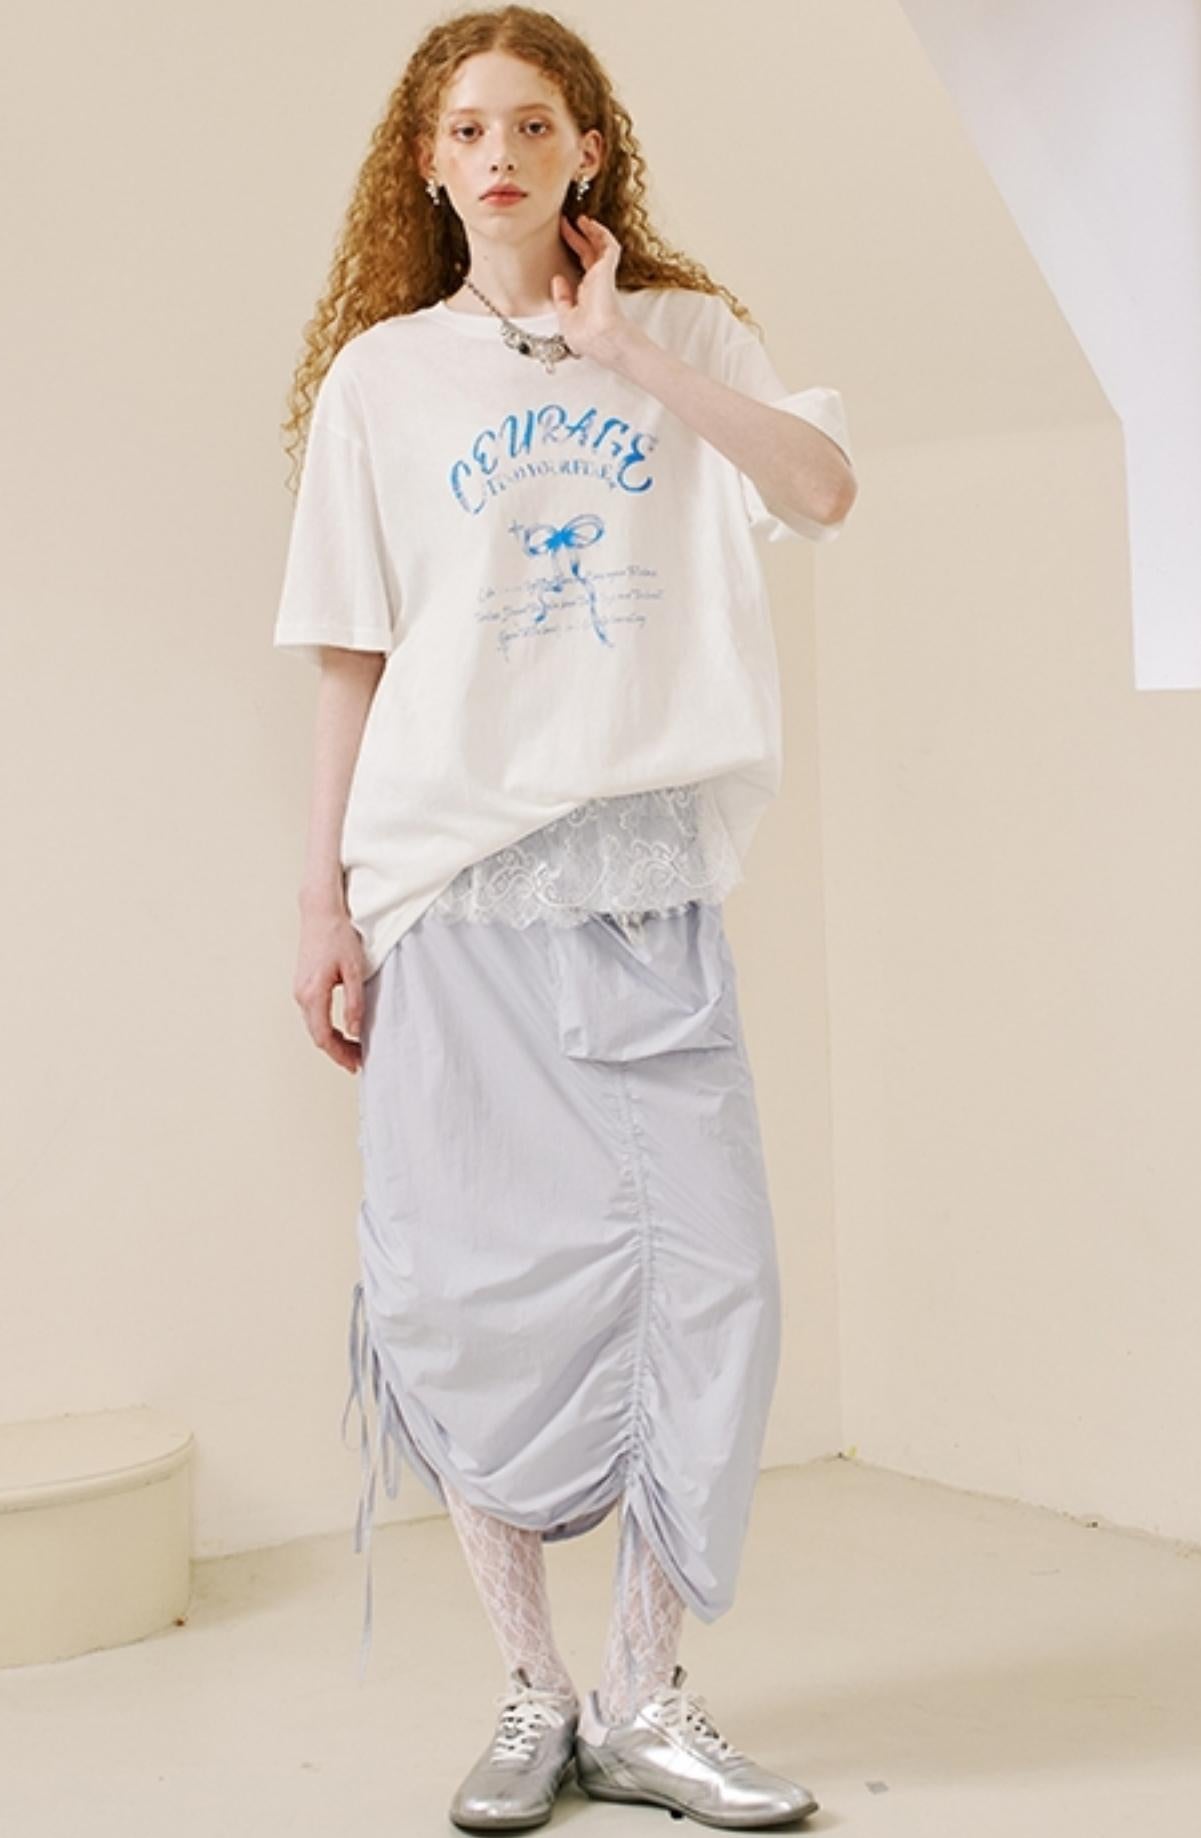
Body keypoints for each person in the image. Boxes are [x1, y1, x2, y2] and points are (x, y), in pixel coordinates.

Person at [273, 6, 857, 1830]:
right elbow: (353, 654)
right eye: (468, 128)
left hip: (641, 886)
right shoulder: (382, 381)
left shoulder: (684, 335)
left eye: (535, 122)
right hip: (449, 891)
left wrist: (619, 350)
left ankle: (648, 1696)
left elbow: (820, 490)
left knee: (710, 1284)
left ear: (589, 147)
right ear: (427, 163)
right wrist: (324, 895)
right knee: (469, 1295)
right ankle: (536, 1693)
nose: (501, 154)